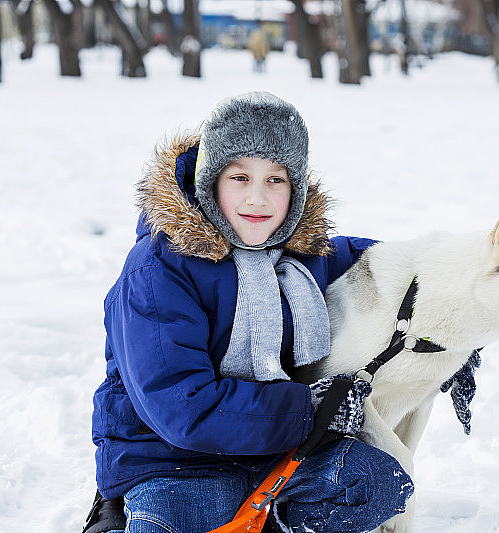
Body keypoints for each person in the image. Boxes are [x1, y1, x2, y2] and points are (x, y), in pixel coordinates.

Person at [82, 91, 414, 533]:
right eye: (239, 177)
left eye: (276, 180)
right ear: (210, 181)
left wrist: (448, 313)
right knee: (189, 517)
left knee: (378, 483)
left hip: (274, 455)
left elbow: (395, 267)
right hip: (177, 460)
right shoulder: (159, 269)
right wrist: (311, 411)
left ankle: (272, 522)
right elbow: (184, 408)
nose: (258, 199)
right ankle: (122, 511)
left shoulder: (305, 253)